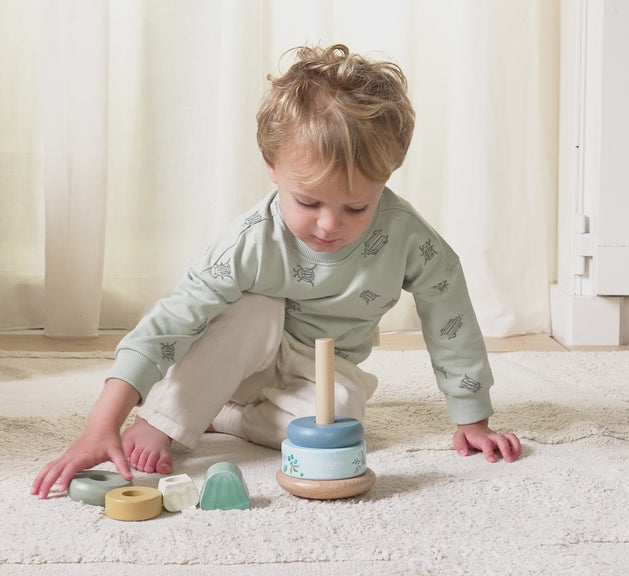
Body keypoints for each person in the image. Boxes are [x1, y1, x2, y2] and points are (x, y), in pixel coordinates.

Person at [32, 44, 521, 499]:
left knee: (340, 424)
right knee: (254, 308)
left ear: (387, 177)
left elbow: (449, 315)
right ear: (271, 165)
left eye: (356, 207)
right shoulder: (250, 240)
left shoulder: (410, 238)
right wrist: (101, 424)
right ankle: (166, 418)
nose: (330, 225)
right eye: (308, 202)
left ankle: (227, 419)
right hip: (240, 356)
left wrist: (472, 418)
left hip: (323, 368)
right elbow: (171, 324)